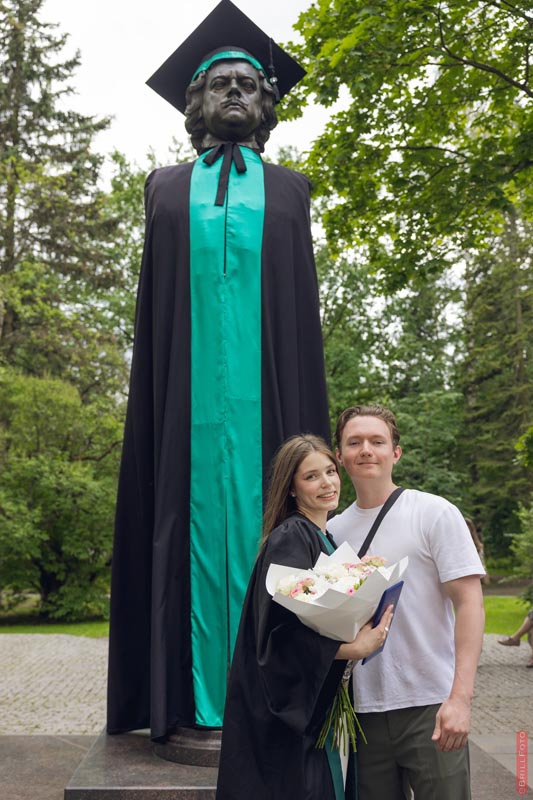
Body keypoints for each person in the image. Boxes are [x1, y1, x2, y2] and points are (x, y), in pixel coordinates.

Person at [106, 0, 331, 741]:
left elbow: (296, 310)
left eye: (248, 84)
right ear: (194, 102)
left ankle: (275, 701)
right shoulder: (164, 186)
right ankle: (189, 701)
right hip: (187, 402)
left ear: (267, 104)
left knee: (276, 514)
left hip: (271, 401)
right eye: (218, 83)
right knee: (187, 527)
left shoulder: (291, 190)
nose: (234, 92)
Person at [216, 434, 394, 800]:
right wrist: (351, 648)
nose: (327, 483)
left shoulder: (321, 535)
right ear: (292, 489)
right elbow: (279, 635)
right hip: (288, 719)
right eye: (311, 476)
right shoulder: (292, 536)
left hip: (318, 704)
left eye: (330, 471)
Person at [328, 404, 485, 800]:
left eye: (377, 441)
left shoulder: (434, 513)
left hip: (431, 702)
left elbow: (470, 604)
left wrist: (460, 699)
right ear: (340, 456)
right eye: (354, 442)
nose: (366, 449)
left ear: (395, 452)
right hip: (362, 709)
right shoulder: (331, 531)